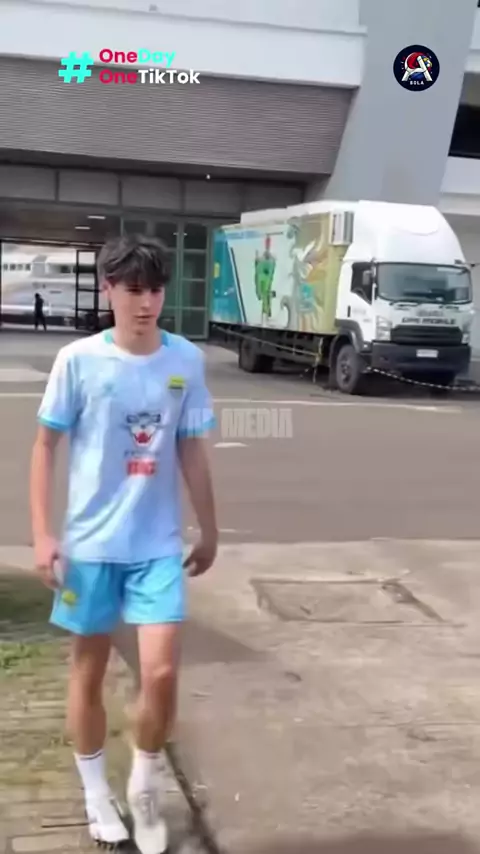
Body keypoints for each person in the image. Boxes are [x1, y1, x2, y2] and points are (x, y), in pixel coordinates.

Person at [29, 234, 218, 854]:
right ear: (108, 289)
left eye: (156, 290)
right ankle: (94, 794)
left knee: (161, 672)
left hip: (156, 545)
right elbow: (45, 446)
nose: (146, 303)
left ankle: (143, 785)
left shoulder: (185, 360)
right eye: (134, 290)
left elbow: (191, 448)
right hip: (89, 548)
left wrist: (209, 527)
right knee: (87, 671)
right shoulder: (79, 361)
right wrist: (43, 534)